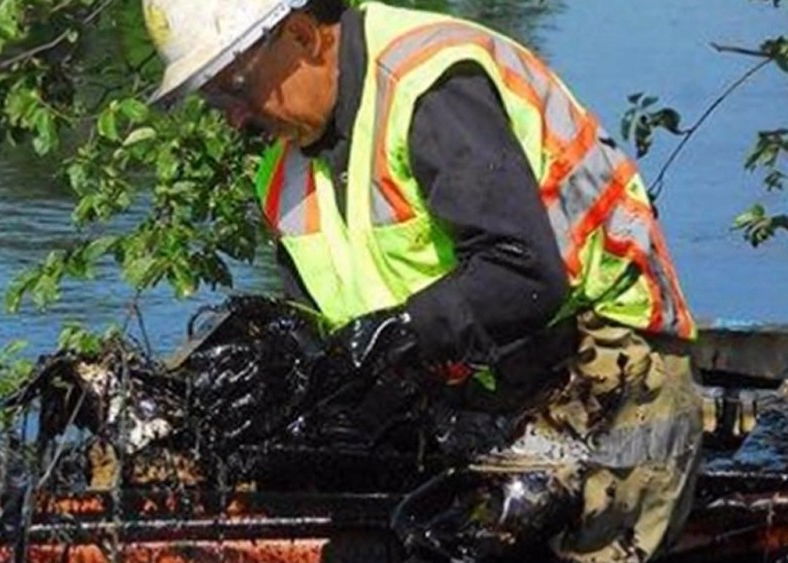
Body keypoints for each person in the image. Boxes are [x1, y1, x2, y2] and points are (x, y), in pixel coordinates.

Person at [142, 0, 703, 561]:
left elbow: (525, 273)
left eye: (237, 89)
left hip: (606, 357)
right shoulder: (284, 176)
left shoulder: (426, 87)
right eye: (215, 101)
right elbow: (329, 339)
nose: (235, 119)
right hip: (475, 381)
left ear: (304, 36)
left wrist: (401, 332)